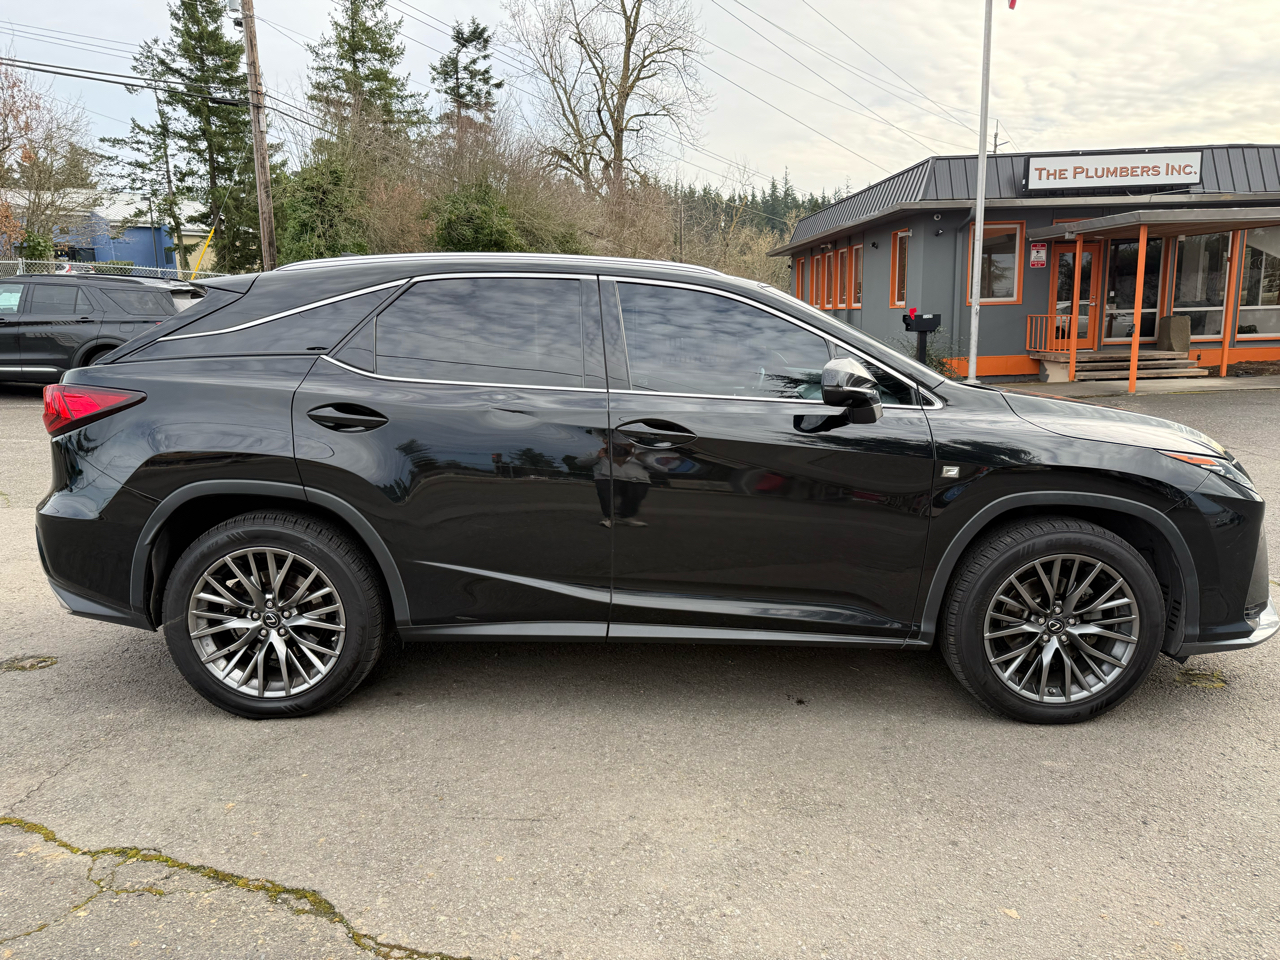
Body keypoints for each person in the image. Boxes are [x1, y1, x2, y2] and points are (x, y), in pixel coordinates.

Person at [575, 434, 653, 528]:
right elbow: (580, 461)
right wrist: (597, 457)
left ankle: (626, 516)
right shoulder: (597, 452)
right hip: (607, 478)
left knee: (637, 493)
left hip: (632, 479)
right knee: (607, 496)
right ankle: (609, 518)